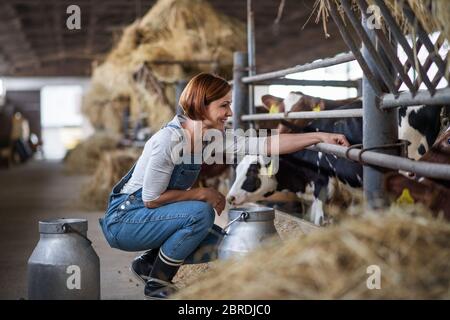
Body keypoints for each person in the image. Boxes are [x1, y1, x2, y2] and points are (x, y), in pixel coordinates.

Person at [99, 73, 349, 299]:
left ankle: (146, 264)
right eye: (224, 105)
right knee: (200, 213)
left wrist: (319, 137)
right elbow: (151, 199)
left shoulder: (209, 140)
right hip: (125, 220)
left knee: (223, 245)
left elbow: (268, 145)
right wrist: (202, 193)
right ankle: (157, 282)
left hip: (149, 216)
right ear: (200, 105)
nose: (230, 112)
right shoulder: (169, 139)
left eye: (229, 104)